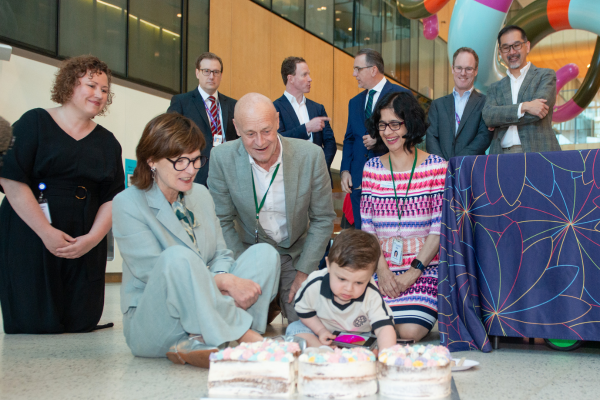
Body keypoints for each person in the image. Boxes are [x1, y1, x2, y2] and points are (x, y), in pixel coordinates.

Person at [112, 113, 280, 368]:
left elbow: (221, 254)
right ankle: (242, 336)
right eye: (180, 161)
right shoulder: (127, 203)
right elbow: (155, 272)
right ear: (151, 160)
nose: (191, 170)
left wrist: (223, 277)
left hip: (211, 306)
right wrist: (222, 281)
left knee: (265, 254)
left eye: (195, 159)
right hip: (158, 320)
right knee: (177, 256)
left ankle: (208, 338)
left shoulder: (200, 194)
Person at [0, 55, 125, 334]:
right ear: (69, 85)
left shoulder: (107, 142)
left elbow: (113, 197)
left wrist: (92, 239)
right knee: (34, 322)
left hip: (83, 236)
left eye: (104, 90)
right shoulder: (34, 122)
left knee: (81, 322)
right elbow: (10, 178)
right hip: (30, 231)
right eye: (91, 85)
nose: (99, 94)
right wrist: (45, 231)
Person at [208, 93, 336, 323]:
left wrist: (303, 272)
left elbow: (323, 218)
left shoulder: (310, 156)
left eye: (267, 130)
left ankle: (277, 299)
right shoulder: (221, 158)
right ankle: (271, 302)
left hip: (294, 254)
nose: (260, 142)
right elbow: (222, 219)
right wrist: (240, 272)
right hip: (249, 252)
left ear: (277, 121)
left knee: (307, 324)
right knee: (242, 324)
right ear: (236, 128)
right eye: (250, 134)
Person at [361, 91, 448, 342]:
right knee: (358, 321)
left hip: (424, 268)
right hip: (381, 267)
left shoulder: (436, 167)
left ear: (410, 124)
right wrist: (383, 272)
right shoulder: (372, 169)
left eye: (395, 124)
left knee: (409, 331)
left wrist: (412, 272)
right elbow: (368, 230)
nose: (388, 132)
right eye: (382, 124)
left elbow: (437, 230)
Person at [286, 229, 396, 350]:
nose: (349, 289)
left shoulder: (371, 294)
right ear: (328, 265)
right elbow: (304, 310)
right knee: (294, 329)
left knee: (379, 341)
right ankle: (324, 351)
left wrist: (386, 355)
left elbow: (384, 327)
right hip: (322, 331)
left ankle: (355, 354)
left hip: (358, 337)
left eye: (359, 282)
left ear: (370, 275)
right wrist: (321, 330)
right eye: (342, 279)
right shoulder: (315, 284)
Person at [340, 48, 413, 229]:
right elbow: (349, 139)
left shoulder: (401, 96)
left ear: (373, 70)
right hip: (359, 184)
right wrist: (345, 171)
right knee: (363, 241)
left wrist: (379, 140)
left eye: (358, 69)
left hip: (390, 181)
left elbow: (411, 133)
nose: (353, 74)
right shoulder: (354, 102)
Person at [482, 25, 561, 154]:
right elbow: (488, 116)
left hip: (538, 153)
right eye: (506, 48)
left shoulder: (545, 76)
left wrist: (500, 118)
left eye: (517, 45)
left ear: (527, 46)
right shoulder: (494, 88)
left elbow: (540, 110)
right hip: (501, 156)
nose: (512, 52)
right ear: (500, 53)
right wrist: (524, 107)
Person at [167, 52, 237, 186]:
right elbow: (170, 137)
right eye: (206, 71)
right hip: (195, 174)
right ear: (197, 73)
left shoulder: (234, 105)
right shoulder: (182, 102)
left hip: (227, 175)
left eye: (216, 72)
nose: (211, 76)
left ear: (221, 75)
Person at [273, 56, 337, 184]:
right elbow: (278, 139)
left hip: (319, 178)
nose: (310, 79)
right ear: (290, 78)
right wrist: (306, 128)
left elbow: (330, 143)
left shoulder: (318, 108)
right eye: (304, 75)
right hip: (291, 178)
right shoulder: (275, 107)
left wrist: (320, 168)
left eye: (309, 74)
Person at [426, 47, 493, 160]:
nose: (463, 73)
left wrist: (455, 163)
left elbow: (484, 138)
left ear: (476, 71)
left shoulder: (486, 103)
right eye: (459, 68)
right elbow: (431, 137)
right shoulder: (437, 105)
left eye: (468, 69)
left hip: (471, 169)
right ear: (452, 68)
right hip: (442, 171)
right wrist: (443, 164)